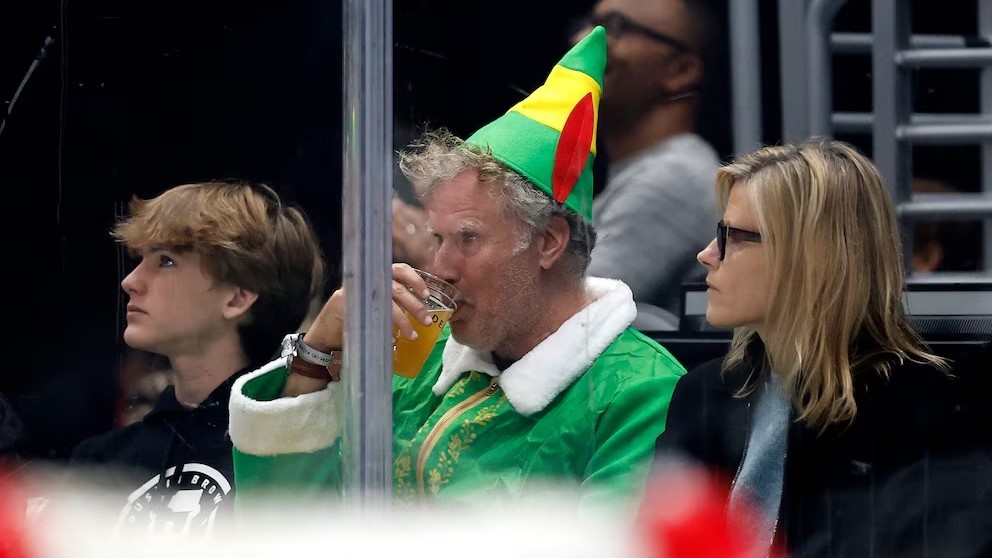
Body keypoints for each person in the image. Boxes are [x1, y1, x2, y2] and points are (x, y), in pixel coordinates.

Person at [228, 26, 686, 509]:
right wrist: (316, 354)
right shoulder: (421, 357)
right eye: (437, 238)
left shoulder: (640, 392)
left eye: (467, 238)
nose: (439, 267)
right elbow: (289, 524)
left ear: (548, 242)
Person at [653, 138, 992, 557]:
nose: (707, 255)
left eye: (733, 236)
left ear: (811, 256)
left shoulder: (927, 413)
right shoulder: (702, 394)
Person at [67, 180, 326, 537]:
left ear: (237, 298)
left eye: (166, 261)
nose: (131, 281)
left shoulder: (288, 459)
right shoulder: (99, 463)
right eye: (141, 259)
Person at [571, 0, 722, 328]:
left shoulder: (675, 177)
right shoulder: (644, 171)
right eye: (588, 24)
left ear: (680, 70)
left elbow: (559, 313)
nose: (583, 40)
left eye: (615, 27)